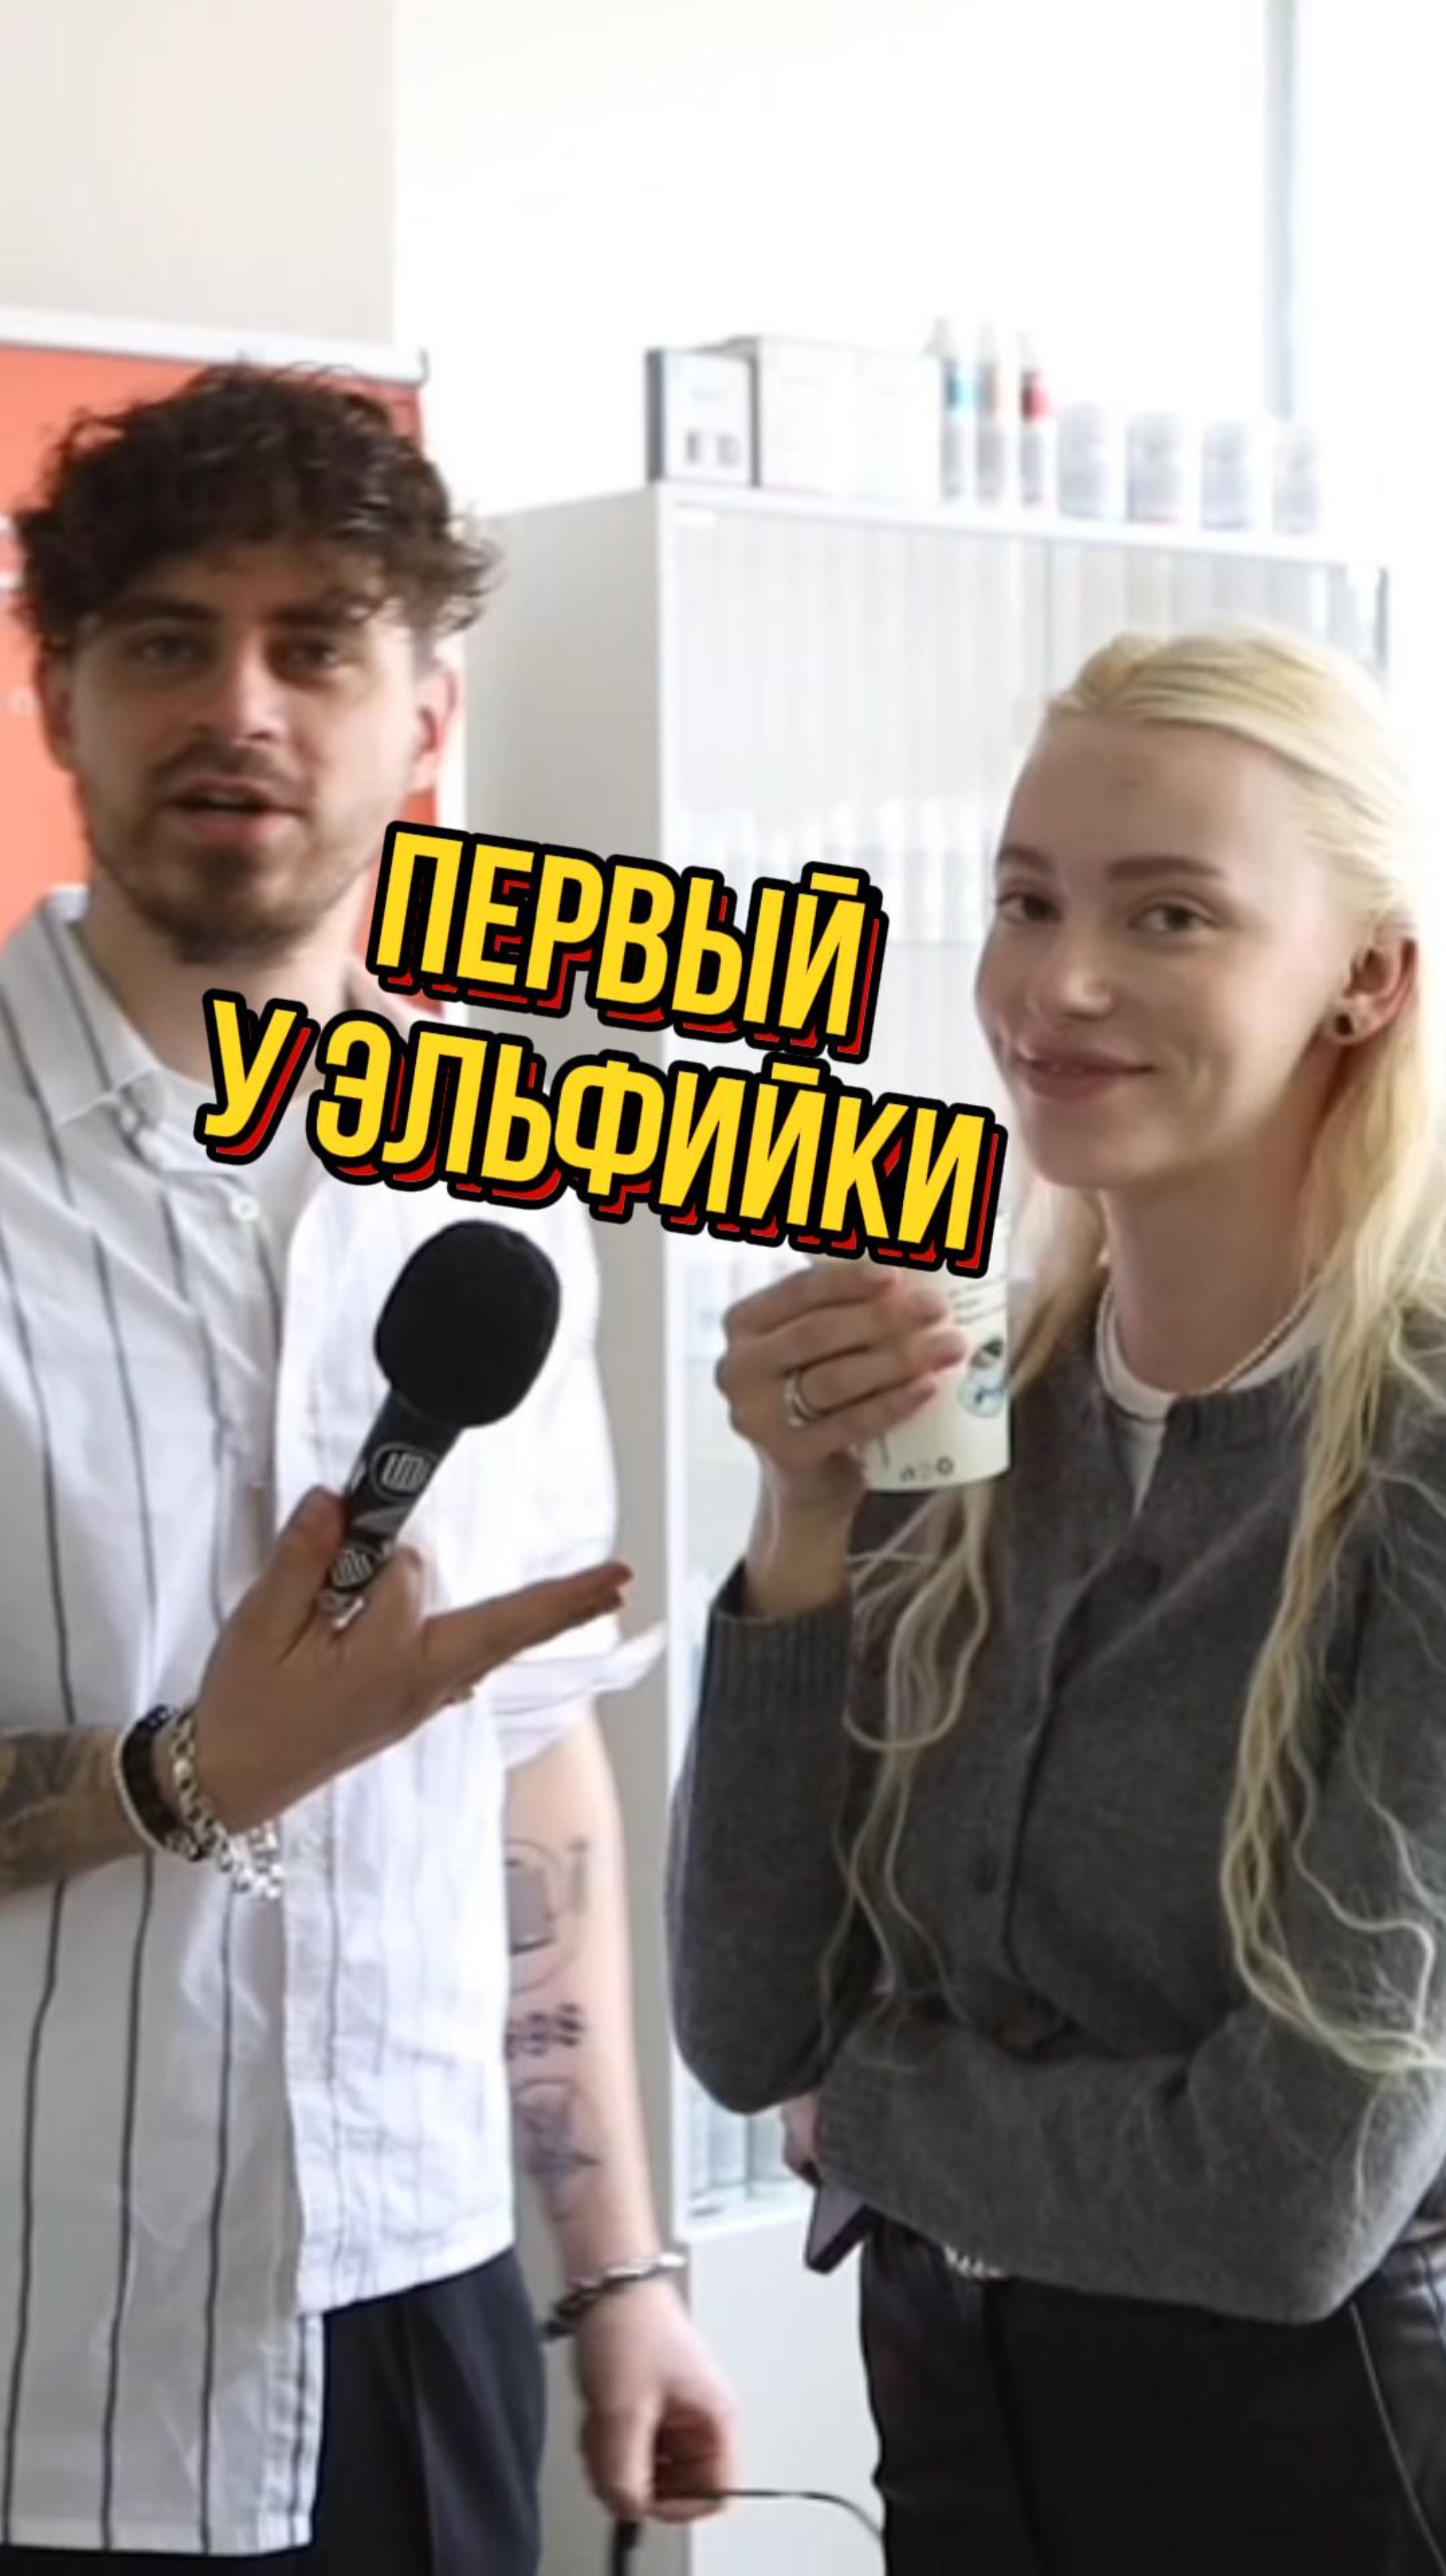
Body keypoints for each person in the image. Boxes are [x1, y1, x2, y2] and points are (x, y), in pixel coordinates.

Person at [0, 364, 735, 2571]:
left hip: (411, 2323)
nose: (241, 704)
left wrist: (617, 2278)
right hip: (32, 2352)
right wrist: (177, 1780)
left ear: (426, 720)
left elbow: (527, 1751)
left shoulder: (497, 1192)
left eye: (315, 645)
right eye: (168, 640)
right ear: (59, 698)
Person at [667, 622, 1446, 2573]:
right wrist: (801, 1528)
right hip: (960, 2464)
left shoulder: (1420, 1464)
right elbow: (751, 2029)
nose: (1059, 983)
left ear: (1364, 977)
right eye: (1028, 901)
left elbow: (1283, 2202)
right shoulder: (972, 1420)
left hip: (1342, 2486)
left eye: (1169, 914)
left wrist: (877, 2114)